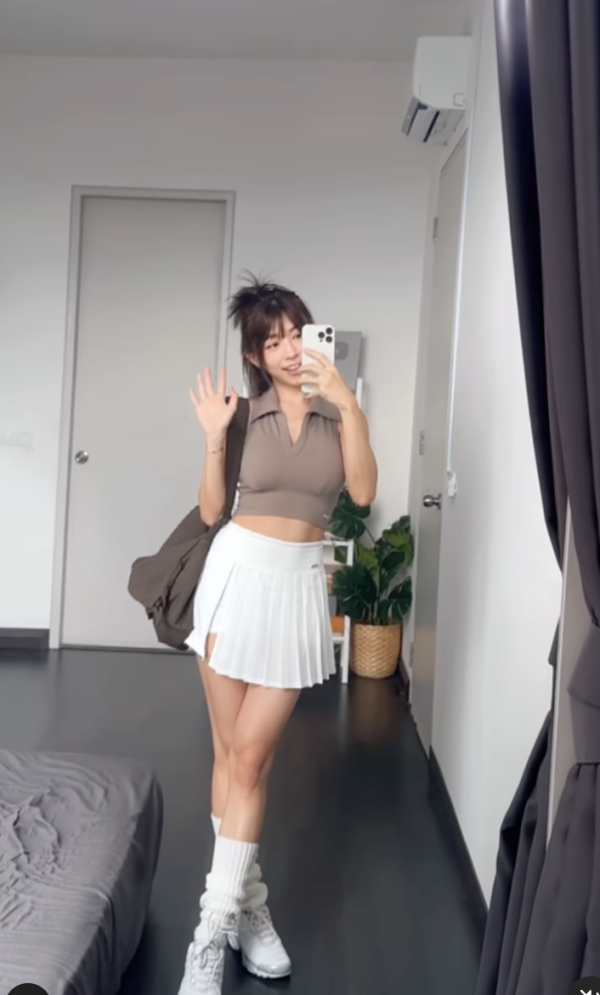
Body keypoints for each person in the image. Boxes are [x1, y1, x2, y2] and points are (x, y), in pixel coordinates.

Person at [178, 276, 378, 995]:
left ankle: (216, 925)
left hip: (296, 590)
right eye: (273, 341)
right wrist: (212, 438)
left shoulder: (338, 413)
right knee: (233, 757)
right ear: (255, 357)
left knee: (253, 759)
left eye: (298, 333)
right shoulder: (242, 417)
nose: (290, 349)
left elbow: (362, 493)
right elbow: (211, 512)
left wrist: (348, 402)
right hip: (235, 581)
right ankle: (240, 918)